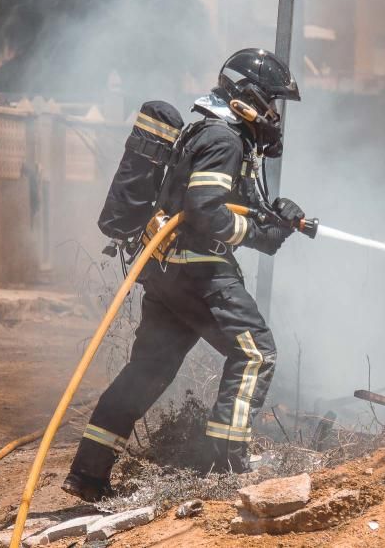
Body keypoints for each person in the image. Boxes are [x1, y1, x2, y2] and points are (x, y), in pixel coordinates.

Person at [63, 48, 305, 503]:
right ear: (248, 99)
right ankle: (224, 464)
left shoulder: (211, 134)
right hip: (202, 274)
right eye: (272, 104)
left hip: (168, 275)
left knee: (149, 370)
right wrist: (256, 228)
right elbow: (205, 213)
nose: (275, 117)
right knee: (255, 353)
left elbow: (235, 214)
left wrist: (277, 223)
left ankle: (88, 473)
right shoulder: (224, 140)